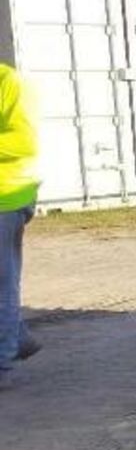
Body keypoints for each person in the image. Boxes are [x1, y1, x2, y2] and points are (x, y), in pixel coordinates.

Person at [0, 60, 40, 384]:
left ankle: (2, 360)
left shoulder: (8, 82)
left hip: (7, 196)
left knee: (2, 282)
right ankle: (17, 337)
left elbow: (23, 141)